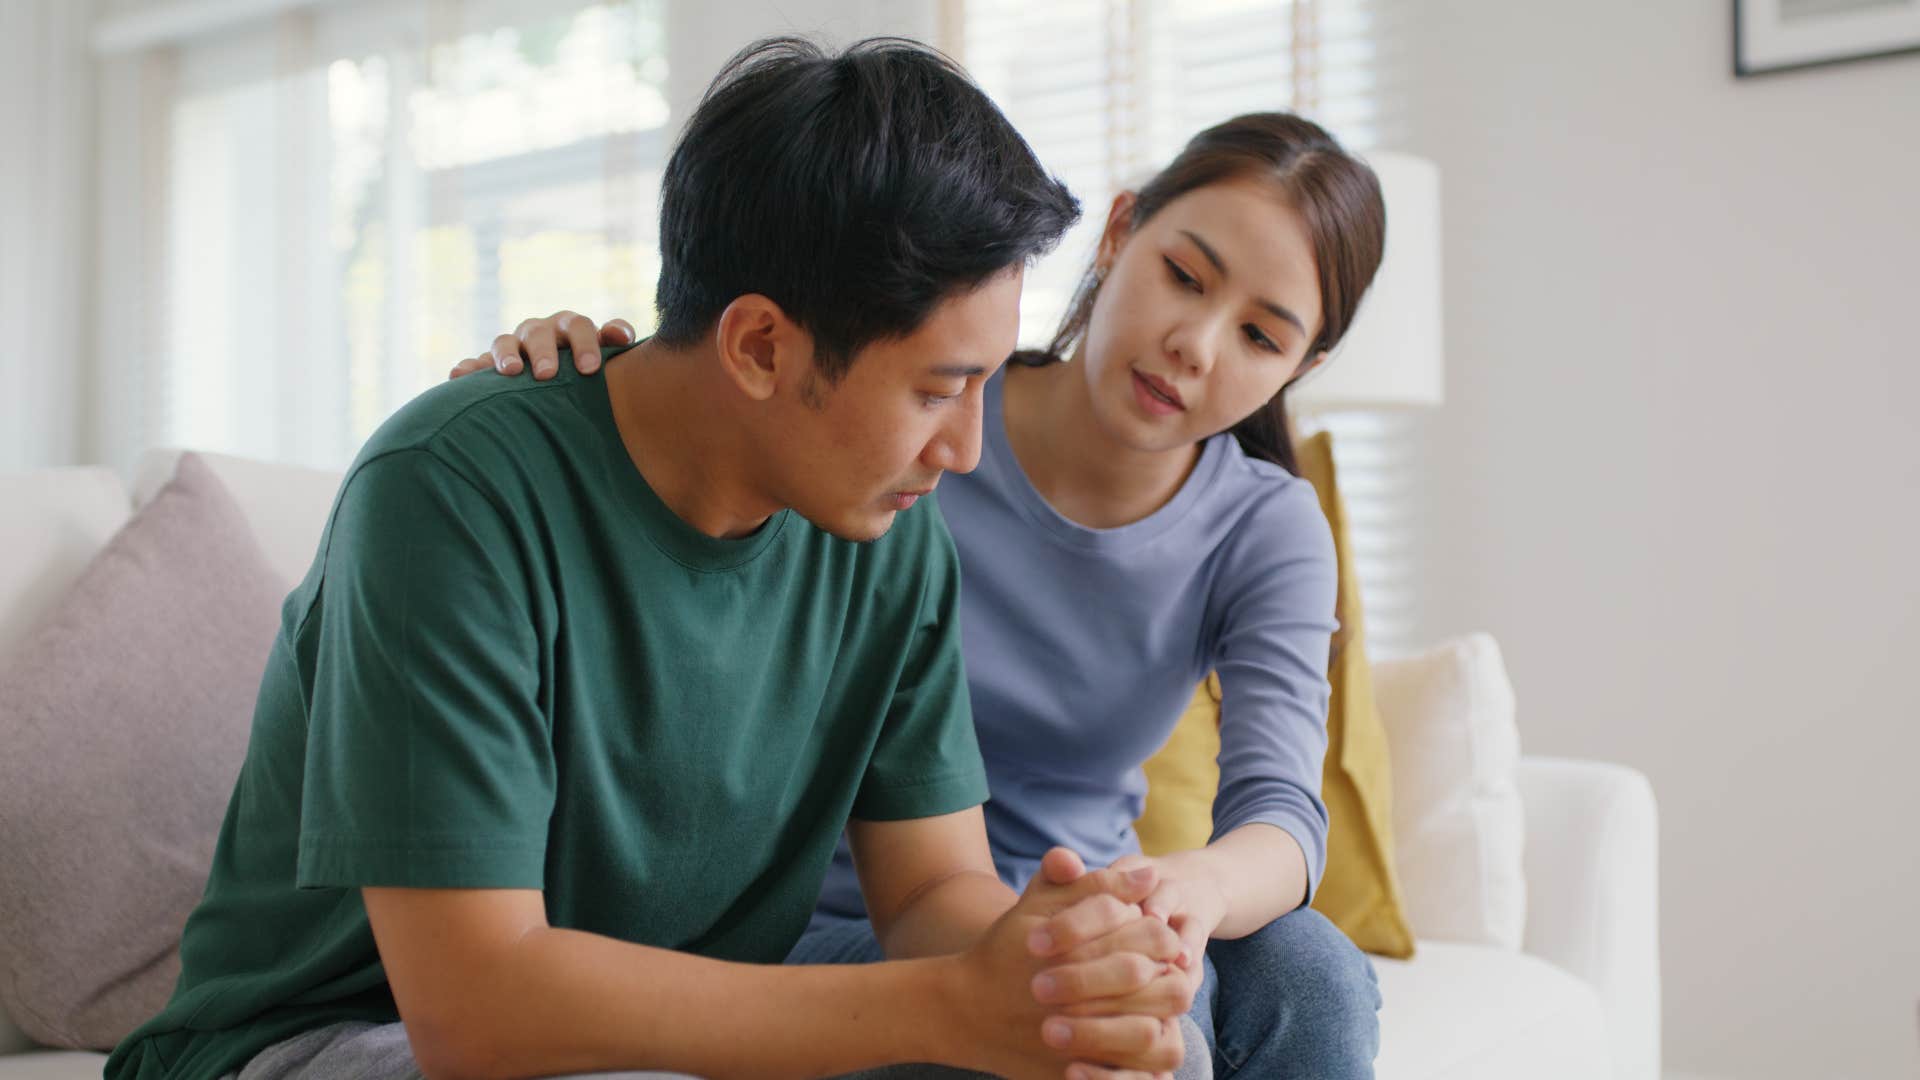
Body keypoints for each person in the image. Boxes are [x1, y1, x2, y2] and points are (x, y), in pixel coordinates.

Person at [106, 37, 1206, 1080]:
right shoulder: (448, 491)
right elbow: (473, 1007)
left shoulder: (889, 532)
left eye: (982, 385)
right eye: (936, 390)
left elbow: (928, 895)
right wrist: (948, 1008)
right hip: (330, 1038)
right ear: (761, 346)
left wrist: (1050, 973)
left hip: (662, 1041)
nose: (965, 449)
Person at [462, 111, 1390, 1078]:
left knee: (1309, 971)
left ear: (1303, 367)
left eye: (1259, 335)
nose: (1194, 344)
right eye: (1184, 277)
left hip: (1065, 908)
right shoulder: (897, 422)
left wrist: (1182, 893)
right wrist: (579, 378)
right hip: (841, 927)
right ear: (1119, 233)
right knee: (1142, 1034)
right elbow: (722, 401)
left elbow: (1282, 815)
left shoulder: (1263, 525)